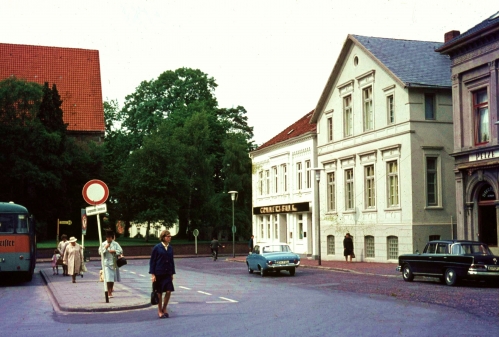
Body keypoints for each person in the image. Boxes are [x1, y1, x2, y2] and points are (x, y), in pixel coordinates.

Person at [149, 230, 175, 318]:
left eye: (170, 236)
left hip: (167, 273)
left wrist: (172, 273)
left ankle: (164, 308)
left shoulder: (170, 248)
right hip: (159, 273)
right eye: (168, 236)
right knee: (159, 293)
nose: (170, 237)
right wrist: (153, 275)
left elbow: (172, 261)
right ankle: (159, 311)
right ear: (163, 237)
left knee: (168, 291)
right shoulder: (157, 248)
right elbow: (152, 261)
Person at [99, 230, 123, 298]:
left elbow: (121, 251)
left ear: (112, 237)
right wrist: (105, 248)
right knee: (108, 278)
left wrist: (114, 251)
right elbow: (100, 252)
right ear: (106, 238)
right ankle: (109, 292)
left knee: (112, 278)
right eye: (108, 237)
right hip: (106, 263)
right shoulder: (103, 244)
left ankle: (111, 289)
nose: (109, 239)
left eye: (110, 237)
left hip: (114, 262)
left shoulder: (115, 244)